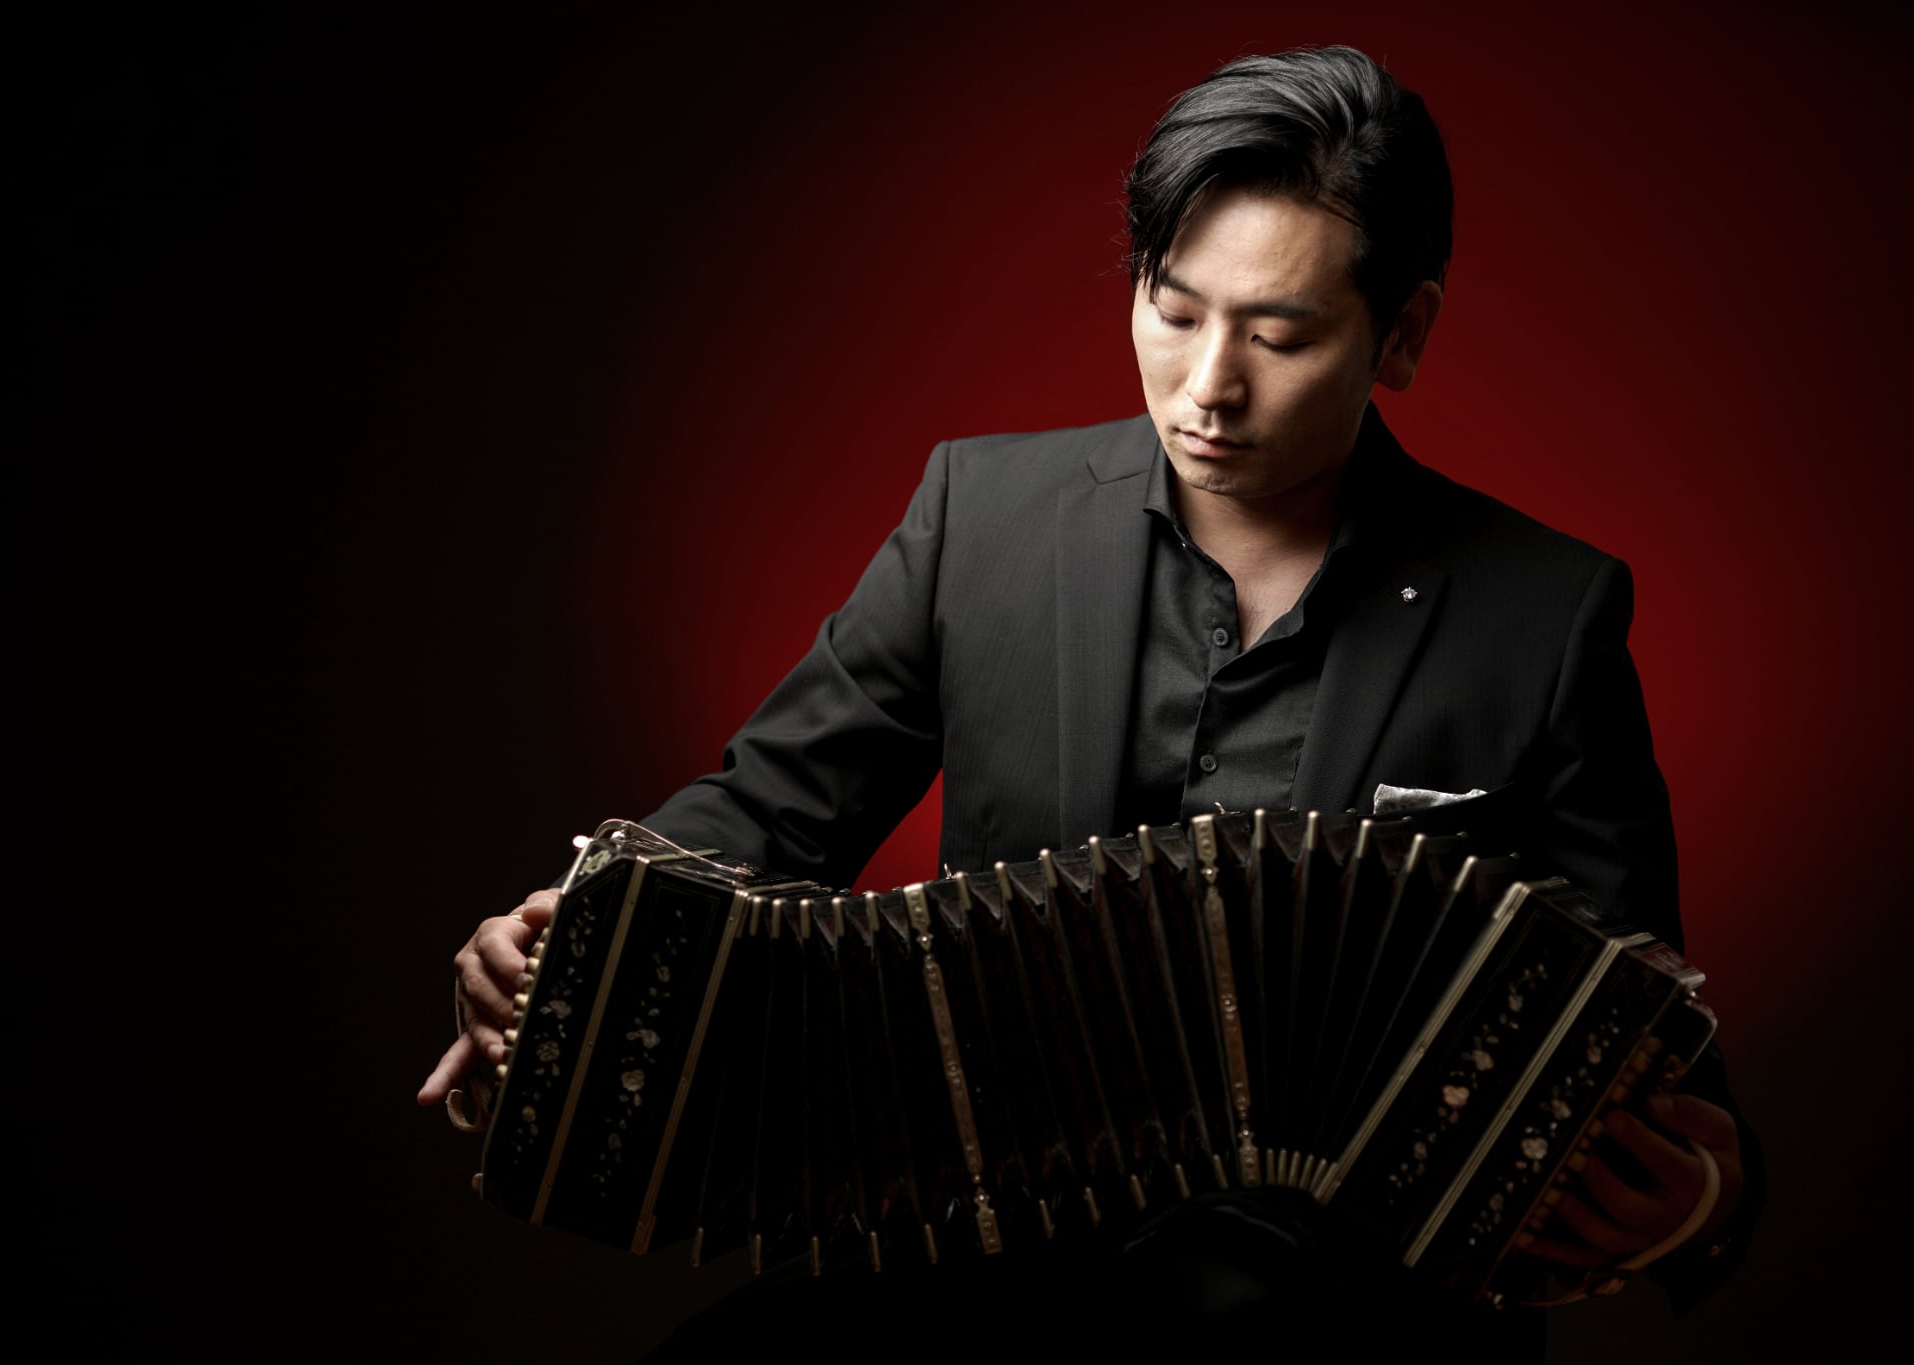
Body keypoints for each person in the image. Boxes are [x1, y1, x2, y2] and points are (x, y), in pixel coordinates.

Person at [419, 45, 1759, 1356]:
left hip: (1346, 1297)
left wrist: (1700, 1195)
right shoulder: (978, 517)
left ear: (1400, 334)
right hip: (987, 1245)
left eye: (1279, 335)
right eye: (1174, 311)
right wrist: (579, 940)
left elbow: (1646, 1035)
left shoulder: (1546, 615)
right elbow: (767, 812)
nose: (1209, 385)